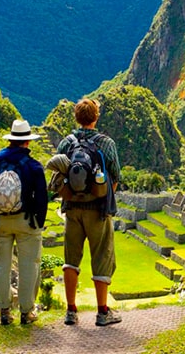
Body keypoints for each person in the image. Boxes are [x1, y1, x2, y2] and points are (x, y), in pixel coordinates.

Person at [58, 98, 122, 327]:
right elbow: (115, 176)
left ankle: (71, 311)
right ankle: (103, 312)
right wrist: (102, 195)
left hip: (73, 210)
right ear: (96, 117)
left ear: (77, 117)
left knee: (71, 260)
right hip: (98, 211)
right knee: (102, 257)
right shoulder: (106, 144)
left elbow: (59, 177)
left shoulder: (66, 144)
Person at [0, 119, 48, 326]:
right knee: (29, 265)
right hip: (26, 221)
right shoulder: (34, 166)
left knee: (1, 265)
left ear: (11, 140)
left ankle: (4, 311)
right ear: (27, 142)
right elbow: (41, 199)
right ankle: (26, 312)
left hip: (2, 221)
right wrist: (38, 222)